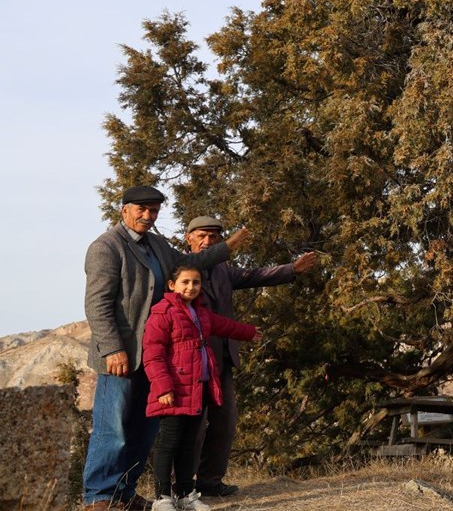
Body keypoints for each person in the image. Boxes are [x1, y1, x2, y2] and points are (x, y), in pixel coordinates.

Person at [82, 186, 249, 510]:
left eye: (154, 210)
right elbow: (97, 304)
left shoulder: (157, 245)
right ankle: (99, 498)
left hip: (158, 358)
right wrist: (113, 348)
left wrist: (224, 249)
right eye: (141, 209)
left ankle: (124, 495)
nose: (147, 215)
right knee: (112, 428)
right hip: (121, 357)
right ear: (124, 210)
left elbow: (189, 262)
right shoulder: (106, 247)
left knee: (143, 431)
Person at [184, 215, 317, 497]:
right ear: (189, 238)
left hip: (223, 357)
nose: (208, 241)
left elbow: (254, 275)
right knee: (191, 425)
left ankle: (210, 482)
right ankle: (181, 486)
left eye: (214, 237)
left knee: (225, 421)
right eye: (203, 236)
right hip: (191, 359)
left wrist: (291, 269)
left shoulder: (223, 270)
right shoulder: (180, 269)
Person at [143, 265, 260, 511]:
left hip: (199, 389)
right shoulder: (162, 313)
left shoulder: (200, 312)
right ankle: (163, 498)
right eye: (185, 282)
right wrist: (163, 387)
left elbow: (224, 326)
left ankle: (185, 494)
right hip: (173, 393)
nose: (191, 287)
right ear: (172, 285)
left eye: (196, 283)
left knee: (188, 444)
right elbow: (153, 354)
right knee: (169, 443)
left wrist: (248, 332)